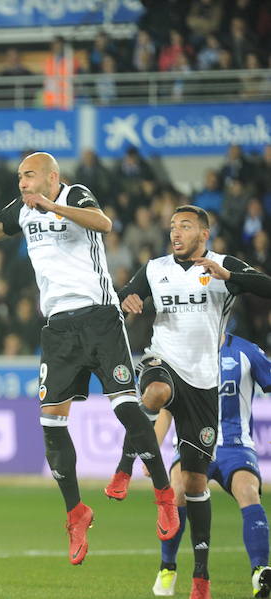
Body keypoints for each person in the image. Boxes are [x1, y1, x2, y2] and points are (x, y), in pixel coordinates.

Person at [0, 151, 179, 566]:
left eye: (29, 175)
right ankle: (75, 513)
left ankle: (163, 494)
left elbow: (103, 224)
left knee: (126, 407)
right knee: (50, 423)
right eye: (19, 176)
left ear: (53, 177)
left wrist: (51, 206)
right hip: (58, 329)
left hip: (100, 318)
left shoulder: (76, 194)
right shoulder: (22, 210)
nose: (21, 182)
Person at [103, 205, 271, 599]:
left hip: (202, 382)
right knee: (154, 394)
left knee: (196, 485)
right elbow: (126, 295)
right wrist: (128, 301)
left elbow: (266, 285)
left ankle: (200, 577)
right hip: (163, 361)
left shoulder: (222, 265)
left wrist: (231, 277)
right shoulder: (155, 267)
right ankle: (124, 469)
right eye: (173, 226)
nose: (175, 232)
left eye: (185, 226)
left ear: (204, 234)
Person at [148, 334, 271, 598]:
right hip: (191, 441)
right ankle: (167, 566)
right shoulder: (181, 351)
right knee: (178, 489)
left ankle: (260, 572)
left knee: (248, 492)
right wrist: (152, 450)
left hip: (235, 446)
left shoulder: (246, 351)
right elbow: (167, 410)